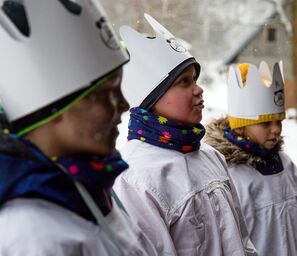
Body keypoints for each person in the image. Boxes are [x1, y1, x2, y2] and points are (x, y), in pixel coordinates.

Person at [0, 1, 157, 255]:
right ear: (53, 109)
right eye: (107, 94)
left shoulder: (91, 184)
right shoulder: (32, 234)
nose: (125, 105)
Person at [113, 14, 257, 256]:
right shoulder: (135, 177)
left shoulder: (211, 157)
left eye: (195, 79)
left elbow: (242, 242)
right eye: (184, 82)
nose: (199, 89)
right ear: (152, 98)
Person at [204, 61, 297, 256]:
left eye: (279, 121)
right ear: (241, 126)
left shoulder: (286, 165)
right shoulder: (229, 174)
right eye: (266, 123)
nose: (276, 129)